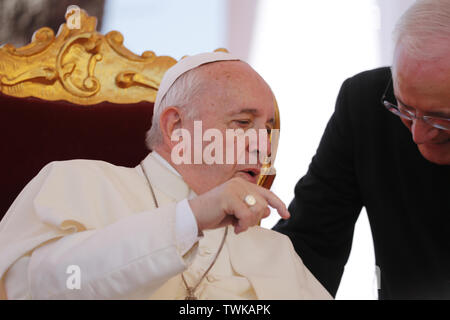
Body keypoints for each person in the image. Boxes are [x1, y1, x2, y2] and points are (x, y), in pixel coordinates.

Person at [0, 52, 331, 300]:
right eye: (243, 123)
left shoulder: (275, 249)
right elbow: (37, 288)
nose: (263, 147)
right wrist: (191, 218)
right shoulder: (77, 182)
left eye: (268, 129)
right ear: (175, 127)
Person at [274, 0, 450, 299]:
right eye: (404, 109)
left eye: (440, 118)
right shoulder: (365, 104)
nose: (418, 135)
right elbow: (310, 244)